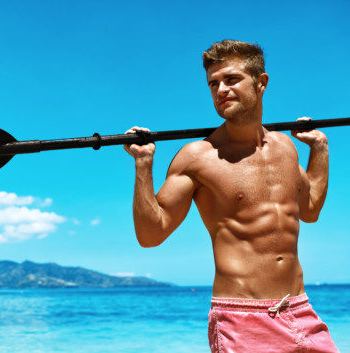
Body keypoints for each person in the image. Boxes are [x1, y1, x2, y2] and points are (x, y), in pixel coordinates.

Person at [123, 40, 339, 353]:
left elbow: (309, 209)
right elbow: (150, 234)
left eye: (231, 79)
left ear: (261, 82)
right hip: (242, 319)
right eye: (213, 83)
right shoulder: (198, 157)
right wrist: (143, 165)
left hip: (301, 310)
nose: (221, 89)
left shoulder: (286, 148)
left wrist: (319, 150)